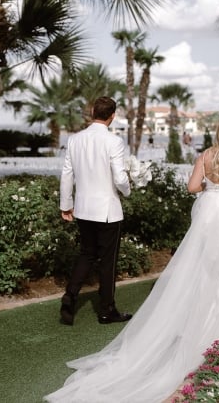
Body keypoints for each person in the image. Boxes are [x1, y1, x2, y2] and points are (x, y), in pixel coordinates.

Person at [45, 111, 219, 402]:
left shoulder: (206, 155)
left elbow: (192, 187)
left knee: (205, 270)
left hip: (210, 213)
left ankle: (202, 322)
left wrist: (212, 187)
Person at [58, 96, 133, 326]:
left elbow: (66, 174)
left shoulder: (75, 140)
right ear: (112, 116)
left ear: (93, 112)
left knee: (87, 254)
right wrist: (128, 191)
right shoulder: (114, 141)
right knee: (107, 261)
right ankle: (106, 310)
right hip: (107, 210)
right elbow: (120, 177)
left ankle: (69, 297)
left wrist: (66, 204)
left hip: (83, 209)